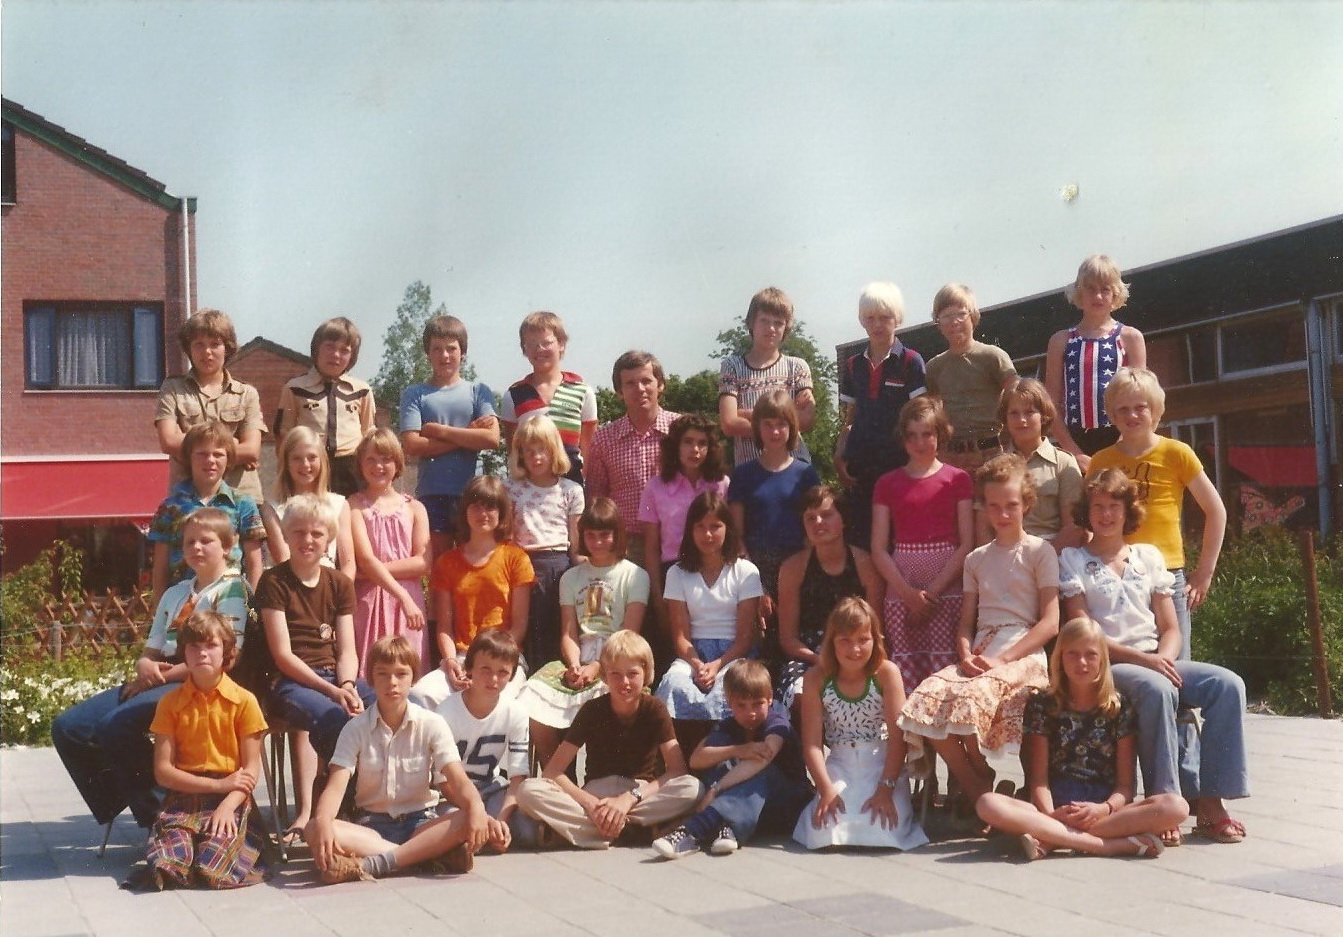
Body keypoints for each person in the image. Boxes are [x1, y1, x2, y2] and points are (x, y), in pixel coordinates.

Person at [1060, 469, 1248, 845]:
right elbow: (1085, 632)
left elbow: (1172, 626)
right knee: (1157, 689)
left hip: (1157, 658)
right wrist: (1149, 665)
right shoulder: (1073, 559)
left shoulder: (1148, 556)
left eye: (1114, 506)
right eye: (1098, 506)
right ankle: (1164, 800)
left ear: (1128, 511)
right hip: (1108, 663)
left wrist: (1164, 659)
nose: (1106, 515)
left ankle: (1211, 800)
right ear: (1087, 510)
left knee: (1227, 684)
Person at [53, 508, 251, 831]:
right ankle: (135, 795)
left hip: (200, 678)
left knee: (116, 725)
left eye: (206, 541)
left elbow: (226, 656)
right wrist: (144, 665)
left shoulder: (232, 590)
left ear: (227, 547)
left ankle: (159, 817)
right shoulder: (175, 593)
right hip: (159, 675)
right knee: (69, 727)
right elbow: (151, 648)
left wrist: (159, 676)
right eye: (190, 543)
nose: (197, 548)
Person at [900, 454, 1060, 806]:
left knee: (970, 699)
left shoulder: (1039, 552)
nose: (1003, 515)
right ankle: (979, 783)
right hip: (982, 649)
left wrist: (1003, 658)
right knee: (923, 699)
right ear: (984, 508)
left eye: (1011, 506)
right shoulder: (976, 558)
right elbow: (965, 622)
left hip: (1022, 650)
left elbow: (1050, 622)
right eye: (994, 506)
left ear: (1026, 504)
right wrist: (965, 653)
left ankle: (984, 801)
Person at [974, 617, 1188, 861]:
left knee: (1176, 807)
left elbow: (1125, 787)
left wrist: (1103, 809)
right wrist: (1051, 814)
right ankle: (1106, 846)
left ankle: (1050, 838)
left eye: (1090, 655)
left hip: (1105, 812)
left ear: (1103, 660)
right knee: (987, 804)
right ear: (1060, 657)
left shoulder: (1119, 706)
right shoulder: (1043, 703)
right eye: (1072, 654)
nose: (1082, 662)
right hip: (1054, 807)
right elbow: (1039, 781)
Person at [305, 634, 489, 883]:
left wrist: (476, 807)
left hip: (420, 824)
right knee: (315, 829)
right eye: (383, 674)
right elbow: (336, 786)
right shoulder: (355, 728)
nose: (392, 682)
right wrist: (324, 820)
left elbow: (457, 778)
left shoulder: (432, 723)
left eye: (401, 674)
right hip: (371, 828)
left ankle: (376, 863)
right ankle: (424, 856)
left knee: (468, 816)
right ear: (370, 679)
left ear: (413, 678)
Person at [1086, 367, 1226, 659]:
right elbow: (1092, 519)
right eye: (1122, 409)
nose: (1132, 415)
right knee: (1125, 661)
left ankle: (1183, 707)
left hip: (1166, 573)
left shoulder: (1177, 452)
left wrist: (1204, 573)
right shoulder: (1101, 460)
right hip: (1117, 572)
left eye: (1141, 407)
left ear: (1156, 410)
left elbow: (1215, 511)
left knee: (1175, 663)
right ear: (1111, 415)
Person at [516, 631, 701, 848]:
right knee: (528, 791)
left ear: (646, 673)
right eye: (615, 674)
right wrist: (592, 805)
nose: (624, 682)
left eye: (632, 674)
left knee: (693, 788)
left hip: (638, 793)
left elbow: (677, 769)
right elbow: (553, 772)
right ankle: (633, 831)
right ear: (604, 676)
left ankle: (592, 833)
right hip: (598, 794)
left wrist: (629, 799)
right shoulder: (592, 709)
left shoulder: (655, 709)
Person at [130, 610, 269, 890]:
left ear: (227, 652)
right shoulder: (170, 704)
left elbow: (251, 770)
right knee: (170, 862)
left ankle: (215, 852)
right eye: (194, 646)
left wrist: (227, 803)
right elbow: (163, 772)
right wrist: (214, 786)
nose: (202, 653)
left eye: (211, 645)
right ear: (184, 653)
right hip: (184, 795)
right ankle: (178, 851)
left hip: (231, 797)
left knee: (212, 865)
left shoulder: (244, 701)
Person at [517, 498, 649, 766]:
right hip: (579, 656)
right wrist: (576, 665)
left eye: (605, 535)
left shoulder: (635, 575)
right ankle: (558, 780)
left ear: (617, 535)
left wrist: (599, 666)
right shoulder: (571, 577)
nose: (597, 542)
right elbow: (568, 632)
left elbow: (629, 631)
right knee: (529, 695)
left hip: (619, 656)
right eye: (591, 535)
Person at [793, 597, 927, 851]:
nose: (854, 650)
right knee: (825, 829)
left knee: (882, 827)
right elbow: (811, 744)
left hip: (882, 765)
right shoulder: (816, 678)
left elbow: (898, 737)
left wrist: (886, 788)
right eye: (845, 640)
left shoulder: (886, 673)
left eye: (863, 640)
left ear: (875, 640)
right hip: (840, 764)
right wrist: (826, 788)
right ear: (831, 642)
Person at [256, 495, 375, 768]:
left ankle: (386, 796)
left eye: (316, 533)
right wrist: (332, 692)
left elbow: (347, 650)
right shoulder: (274, 581)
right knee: (334, 717)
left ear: (328, 540)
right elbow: (283, 655)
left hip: (336, 677)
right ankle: (343, 798)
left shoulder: (340, 583)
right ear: (286, 535)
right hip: (290, 681)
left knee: (391, 704)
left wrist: (346, 685)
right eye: (298, 532)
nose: (307, 540)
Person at [652, 660, 810, 859]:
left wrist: (717, 789)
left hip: (786, 805)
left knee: (760, 773)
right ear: (729, 702)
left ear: (770, 699)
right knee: (721, 764)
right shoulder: (729, 726)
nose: (750, 712)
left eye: (757, 704)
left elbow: (763, 758)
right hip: (749, 810)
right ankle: (728, 826)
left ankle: (693, 831)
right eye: (741, 705)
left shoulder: (777, 724)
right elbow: (696, 759)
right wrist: (737, 750)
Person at [871, 397, 974, 693]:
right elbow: (878, 547)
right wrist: (907, 594)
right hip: (902, 584)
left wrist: (932, 593)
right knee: (907, 672)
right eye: (912, 435)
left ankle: (944, 737)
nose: (920, 442)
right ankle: (912, 738)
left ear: (940, 434)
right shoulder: (887, 483)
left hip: (946, 586)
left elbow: (966, 542)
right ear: (903, 439)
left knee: (946, 672)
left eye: (927, 433)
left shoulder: (958, 480)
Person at [412, 475, 535, 708]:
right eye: (476, 506)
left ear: (501, 514)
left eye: (490, 506)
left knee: (498, 704)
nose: (483, 513)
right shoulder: (447, 562)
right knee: (418, 696)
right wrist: (449, 662)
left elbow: (518, 626)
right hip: (461, 658)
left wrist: (490, 665)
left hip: (504, 659)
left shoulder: (516, 558)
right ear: (465, 511)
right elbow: (445, 628)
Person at [655, 491, 763, 723]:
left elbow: (745, 638)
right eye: (700, 526)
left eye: (715, 526)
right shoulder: (677, 573)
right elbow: (681, 637)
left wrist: (717, 665)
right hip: (693, 655)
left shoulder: (746, 572)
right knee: (673, 685)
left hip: (734, 656)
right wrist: (697, 665)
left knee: (730, 691)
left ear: (727, 529)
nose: (708, 534)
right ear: (690, 530)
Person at [398, 314, 500, 559]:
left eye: (451, 349)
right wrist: (469, 433)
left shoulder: (478, 392)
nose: (445, 356)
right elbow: (412, 445)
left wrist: (441, 431)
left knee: (471, 563)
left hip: (470, 494)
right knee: (439, 567)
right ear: (428, 353)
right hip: (432, 494)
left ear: (462, 352)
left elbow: (492, 439)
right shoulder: (415, 394)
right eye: (437, 349)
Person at [728, 388, 821, 654]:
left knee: (796, 639)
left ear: (791, 427)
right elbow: (737, 534)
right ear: (757, 428)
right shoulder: (743, 474)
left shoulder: (806, 474)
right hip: (756, 568)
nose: (775, 431)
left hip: (799, 564)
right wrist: (757, 586)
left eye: (781, 424)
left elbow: (815, 529)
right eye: (767, 424)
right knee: (762, 647)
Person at [834, 282, 927, 547]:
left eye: (884, 318)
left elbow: (921, 417)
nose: (877, 325)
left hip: (898, 465)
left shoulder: (911, 361)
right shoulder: (853, 364)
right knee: (861, 540)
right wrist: (840, 453)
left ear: (897, 319)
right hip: (861, 467)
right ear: (862, 321)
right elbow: (850, 416)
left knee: (897, 540)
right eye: (870, 318)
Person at [637, 413, 729, 675]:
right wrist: (657, 595)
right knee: (674, 654)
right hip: (672, 574)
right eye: (688, 442)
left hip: (713, 573)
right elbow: (651, 547)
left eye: (702, 443)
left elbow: (732, 535)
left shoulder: (721, 484)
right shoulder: (653, 488)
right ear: (676, 446)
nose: (695, 450)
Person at [776, 484, 883, 708]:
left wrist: (852, 658)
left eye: (826, 515)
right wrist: (821, 659)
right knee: (801, 695)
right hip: (810, 656)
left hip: (857, 650)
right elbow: (788, 638)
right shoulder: (792, 568)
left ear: (843, 520)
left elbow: (876, 628)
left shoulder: (865, 564)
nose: (818, 523)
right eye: (810, 518)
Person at [147, 421, 266, 610]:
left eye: (218, 454)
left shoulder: (243, 504)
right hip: (182, 604)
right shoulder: (171, 507)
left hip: (230, 602)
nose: (210, 460)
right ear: (188, 458)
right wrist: (161, 611)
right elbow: (160, 567)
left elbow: (254, 564)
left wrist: (254, 608)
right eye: (202, 454)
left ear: (229, 459)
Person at [154, 309, 266, 503]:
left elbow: (251, 450)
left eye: (215, 344)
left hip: (240, 498)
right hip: (189, 498)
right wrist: (234, 446)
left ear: (227, 348)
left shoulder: (247, 394)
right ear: (189, 349)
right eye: (199, 345)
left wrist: (191, 447)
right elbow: (169, 442)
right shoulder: (172, 388)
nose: (207, 352)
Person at [1045, 255, 1147, 466]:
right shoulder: (1061, 340)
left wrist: (1121, 447)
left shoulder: (1130, 337)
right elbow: (1050, 405)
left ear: (1116, 293)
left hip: (1121, 440)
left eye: (1105, 289)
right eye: (1090, 288)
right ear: (1079, 292)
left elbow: (1142, 400)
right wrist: (1075, 453)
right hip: (1074, 443)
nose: (1098, 295)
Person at [436, 630, 533, 851]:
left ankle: (488, 836)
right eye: (485, 670)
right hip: (452, 797)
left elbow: (518, 776)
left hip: (491, 789)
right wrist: (478, 814)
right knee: (457, 828)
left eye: (503, 672)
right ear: (469, 668)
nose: (494, 679)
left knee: (526, 830)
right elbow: (442, 782)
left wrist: (500, 820)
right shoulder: (445, 713)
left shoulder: (515, 712)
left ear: (512, 675)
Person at [587, 350, 682, 569]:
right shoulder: (604, 439)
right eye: (630, 383)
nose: (639, 389)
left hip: (677, 540)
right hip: (626, 547)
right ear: (619, 392)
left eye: (646, 381)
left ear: (660, 385)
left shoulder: (681, 430)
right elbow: (596, 498)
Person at [504, 415, 584, 670]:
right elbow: (507, 534)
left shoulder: (571, 490)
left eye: (542, 450)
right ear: (520, 454)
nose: (537, 457)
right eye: (529, 451)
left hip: (559, 565)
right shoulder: (511, 488)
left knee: (556, 628)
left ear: (554, 451)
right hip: (522, 565)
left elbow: (576, 542)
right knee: (527, 631)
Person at [348, 428, 429, 673]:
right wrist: (397, 591)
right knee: (371, 670)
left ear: (398, 462)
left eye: (385, 459)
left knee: (408, 670)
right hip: (371, 600)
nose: (378, 466)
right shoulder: (353, 505)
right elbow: (364, 558)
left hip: (408, 602)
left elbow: (423, 562)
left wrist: (372, 571)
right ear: (361, 464)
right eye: (370, 459)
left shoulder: (415, 508)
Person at [273, 317, 375, 496]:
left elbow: (369, 435)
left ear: (352, 357)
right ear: (317, 348)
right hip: (311, 467)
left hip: (351, 469)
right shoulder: (295, 388)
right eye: (330, 346)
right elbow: (284, 435)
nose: (336, 355)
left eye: (344, 350)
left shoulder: (362, 391)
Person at [923, 283, 1017, 473]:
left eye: (960, 314)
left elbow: (1016, 397)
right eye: (946, 316)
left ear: (973, 316)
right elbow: (932, 414)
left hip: (992, 452)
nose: (954, 321)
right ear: (938, 323)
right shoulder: (934, 367)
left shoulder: (993, 356)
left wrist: (1010, 444)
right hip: (951, 457)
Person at [718, 286, 815, 466]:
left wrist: (750, 415)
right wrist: (785, 419)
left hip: (794, 468)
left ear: (786, 328)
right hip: (750, 469)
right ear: (751, 323)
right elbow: (729, 423)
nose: (771, 328)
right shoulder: (732, 367)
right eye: (764, 321)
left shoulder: (797, 367)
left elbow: (807, 420)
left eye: (778, 323)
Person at [499, 310, 598, 484]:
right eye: (532, 344)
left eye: (547, 342)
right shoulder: (513, 396)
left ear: (561, 344)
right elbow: (512, 451)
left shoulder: (583, 392)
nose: (540, 349)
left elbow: (589, 449)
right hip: (529, 486)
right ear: (524, 349)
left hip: (571, 483)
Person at [992, 378, 1085, 552]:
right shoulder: (995, 465)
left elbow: (1074, 527)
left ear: (1044, 416)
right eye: (1014, 413)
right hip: (1005, 557)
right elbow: (984, 527)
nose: (1021, 420)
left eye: (1029, 412)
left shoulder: (1063, 463)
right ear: (1005, 418)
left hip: (1055, 554)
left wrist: (1042, 560)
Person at [261, 426, 356, 580]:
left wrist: (340, 595)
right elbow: (284, 558)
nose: (305, 465)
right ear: (286, 462)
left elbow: (348, 565)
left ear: (322, 460)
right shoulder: (272, 508)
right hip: (289, 589)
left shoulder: (339, 505)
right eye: (297, 458)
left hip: (329, 589)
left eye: (312, 457)